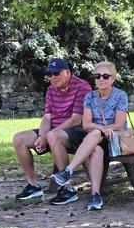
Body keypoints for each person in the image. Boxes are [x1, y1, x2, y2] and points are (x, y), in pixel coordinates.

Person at [50, 61, 129, 211]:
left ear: (113, 78)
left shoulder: (121, 95)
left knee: (96, 133)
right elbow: (86, 124)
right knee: (96, 150)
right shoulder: (90, 97)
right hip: (94, 139)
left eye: (106, 76)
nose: (101, 79)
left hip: (115, 139)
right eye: (98, 76)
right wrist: (100, 129)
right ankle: (95, 195)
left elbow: (119, 125)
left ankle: (68, 171)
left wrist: (100, 129)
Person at [12, 57, 92, 204]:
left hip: (77, 132)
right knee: (19, 138)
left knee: (54, 136)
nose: (52, 77)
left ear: (67, 72)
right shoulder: (50, 90)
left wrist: (47, 136)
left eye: (56, 73)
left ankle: (66, 189)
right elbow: (47, 117)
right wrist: (42, 136)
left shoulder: (82, 86)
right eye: (49, 74)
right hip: (54, 132)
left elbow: (76, 119)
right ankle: (33, 186)